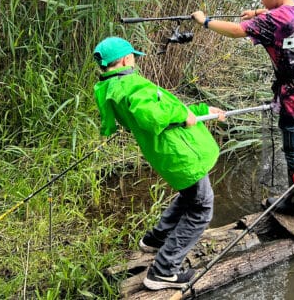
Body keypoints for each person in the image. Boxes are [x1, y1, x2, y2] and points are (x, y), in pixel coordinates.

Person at [191, 0, 294, 217]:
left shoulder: (272, 19)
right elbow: (274, 14)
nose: (261, 0)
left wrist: (205, 21)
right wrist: (255, 12)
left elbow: (237, 31)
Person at [92, 36, 224, 291]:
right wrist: (184, 114)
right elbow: (155, 115)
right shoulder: (130, 85)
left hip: (168, 151)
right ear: (126, 59)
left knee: (190, 196)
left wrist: (201, 109)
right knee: (201, 209)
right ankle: (163, 271)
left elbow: (166, 107)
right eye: (134, 57)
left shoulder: (112, 86)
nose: (136, 62)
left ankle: (155, 239)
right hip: (180, 153)